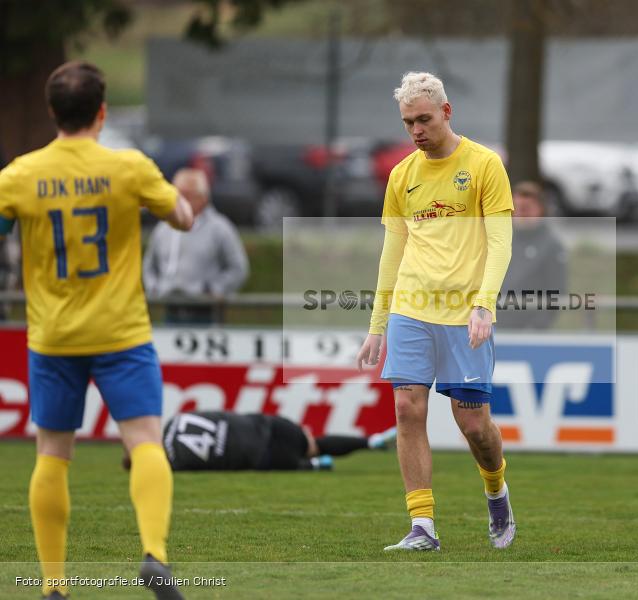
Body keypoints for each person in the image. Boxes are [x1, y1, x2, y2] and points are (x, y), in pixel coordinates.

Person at [0, 61, 194, 600]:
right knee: (145, 441)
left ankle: (54, 586)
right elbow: (182, 218)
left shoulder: (19, 174)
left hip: (53, 338)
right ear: (102, 112)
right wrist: (176, 198)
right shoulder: (129, 167)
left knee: (52, 454)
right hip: (121, 334)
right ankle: (154, 554)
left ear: (51, 112)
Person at [355, 72, 515, 552]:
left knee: (474, 426)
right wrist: (376, 326)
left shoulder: (485, 165)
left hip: (465, 312)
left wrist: (484, 304)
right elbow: (391, 253)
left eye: (424, 119)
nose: (416, 131)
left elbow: (500, 242)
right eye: (408, 123)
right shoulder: (402, 176)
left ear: (447, 112)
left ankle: (496, 490)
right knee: (407, 407)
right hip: (411, 307)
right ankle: (422, 526)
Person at [143, 168, 249, 325]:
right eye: (177, 194)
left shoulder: (220, 228)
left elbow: (238, 268)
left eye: (187, 195)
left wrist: (214, 289)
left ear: (203, 198)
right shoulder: (163, 228)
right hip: (170, 309)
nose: (180, 200)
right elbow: (149, 266)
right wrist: (155, 288)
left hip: (206, 313)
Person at [127, 411, 396, 472]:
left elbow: (214, 466)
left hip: (264, 457)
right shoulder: (176, 420)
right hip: (267, 425)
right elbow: (219, 414)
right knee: (313, 442)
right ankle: (370, 441)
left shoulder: (173, 463)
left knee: (306, 458)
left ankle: (314, 465)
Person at [499, 181, 567, 329]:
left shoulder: (551, 245)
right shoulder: (500, 239)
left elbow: (557, 293)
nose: (521, 213)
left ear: (540, 209)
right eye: (517, 208)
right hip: (494, 327)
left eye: (527, 208)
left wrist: (536, 327)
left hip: (530, 331)